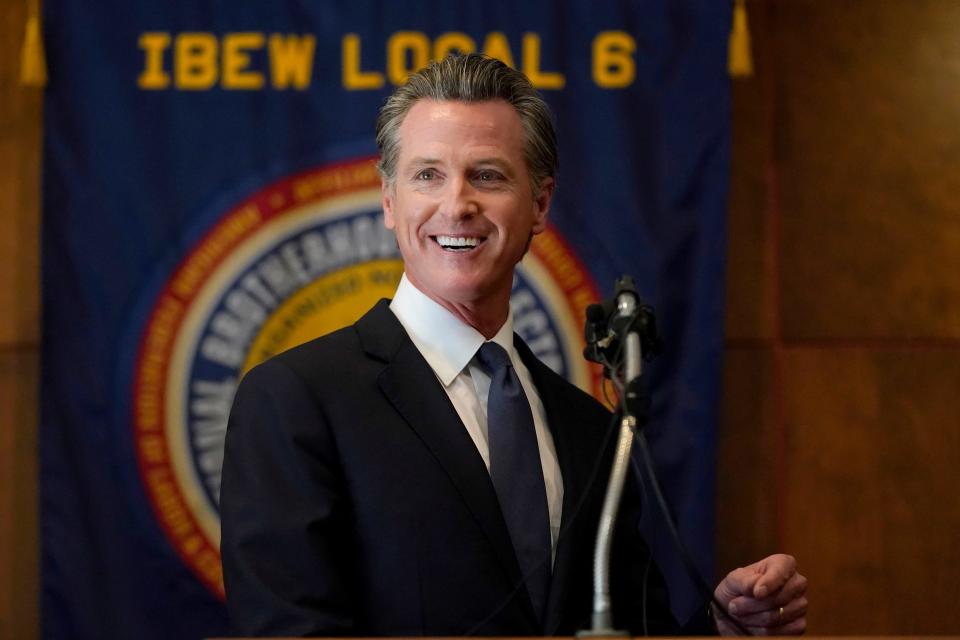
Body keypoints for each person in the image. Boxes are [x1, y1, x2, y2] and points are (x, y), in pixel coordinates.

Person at [220, 53, 808, 637]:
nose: (457, 205)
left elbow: (630, 626)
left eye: (488, 175)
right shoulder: (295, 401)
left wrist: (722, 627)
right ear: (390, 201)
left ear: (541, 204)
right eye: (428, 175)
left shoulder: (589, 429)